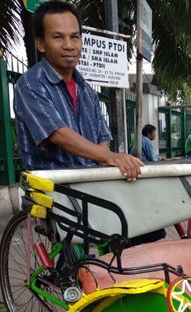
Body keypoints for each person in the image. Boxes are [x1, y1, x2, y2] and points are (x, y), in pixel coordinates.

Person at [13, 1, 141, 181]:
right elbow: (58, 134)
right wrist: (111, 157)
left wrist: (116, 162)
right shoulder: (30, 84)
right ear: (41, 44)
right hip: (53, 195)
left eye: (75, 37)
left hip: (91, 190)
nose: (69, 45)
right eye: (58, 37)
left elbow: (102, 143)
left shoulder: (87, 91)